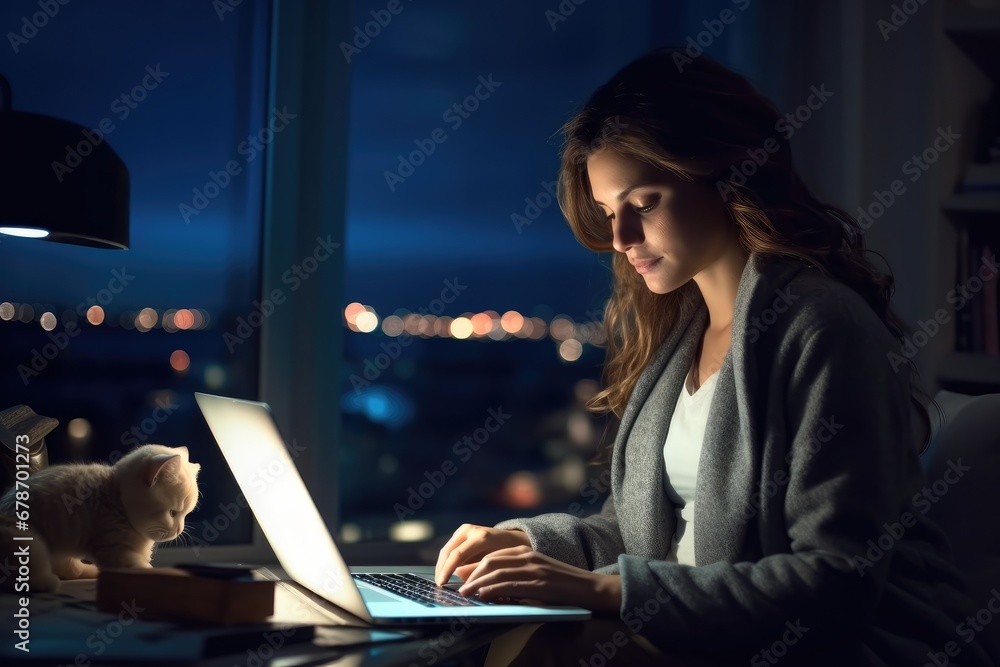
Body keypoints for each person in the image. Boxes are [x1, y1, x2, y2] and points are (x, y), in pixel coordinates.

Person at [433, 47, 998, 666]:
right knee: (490, 638)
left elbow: (837, 582)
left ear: (728, 177)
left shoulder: (823, 329)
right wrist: (519, 543)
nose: (620, 240)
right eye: (606, 212)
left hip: (846, 648)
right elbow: (640, 536)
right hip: (697, 635)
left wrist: (602, 592)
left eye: (643, 204)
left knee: (546, 651)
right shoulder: (680, 339)